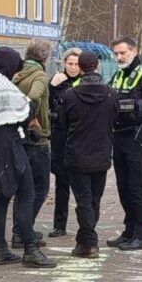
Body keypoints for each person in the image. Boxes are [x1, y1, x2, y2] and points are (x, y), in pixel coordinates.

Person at [0, 48, 55, 268]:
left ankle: (1, 250)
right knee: (27, 196)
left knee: (1, 199)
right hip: (9, 148)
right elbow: (24, 111)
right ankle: (30, 249)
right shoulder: (3, 87)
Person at [58, 49, 119, 257]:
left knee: (84, 201)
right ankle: (84, 241)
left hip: (77, 155)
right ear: (98, 67)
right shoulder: (111, 94)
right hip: (101, 154)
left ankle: (89, 243)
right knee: (94, 200)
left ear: (81, 68)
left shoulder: (70, 95)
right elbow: (114, 121)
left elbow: (63, 124)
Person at [106, 34, 142, 251]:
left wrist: (141, 139)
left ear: (134, 51)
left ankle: (141, 235)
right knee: (124, 188)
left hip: (136, 139)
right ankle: (129, 232)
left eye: (123, 52)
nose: (119, 57)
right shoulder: (118, 76)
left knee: (138, 189)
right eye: (117, 53)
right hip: (118, 138)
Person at [10, 39, 54, 264]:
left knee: (23, 190)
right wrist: (32, 117)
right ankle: (22, 231)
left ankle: (22, 229)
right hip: (37, 140)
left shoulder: (17, 74)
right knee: (39, 189)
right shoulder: (39, 77)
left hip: (19, 138)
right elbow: (35, 96)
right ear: (45, 57)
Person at [47, 47, 82, 237]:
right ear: (64, 63)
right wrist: (51, 87)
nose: (74, 68)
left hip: (80, 140)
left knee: (82, 187)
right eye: (70, 64)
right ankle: (59, 225)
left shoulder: (85, 83)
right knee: (61, 184)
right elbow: (45, 105)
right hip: (59, 138)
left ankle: (86, 225)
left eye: (77, 64)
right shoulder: (57, 81)